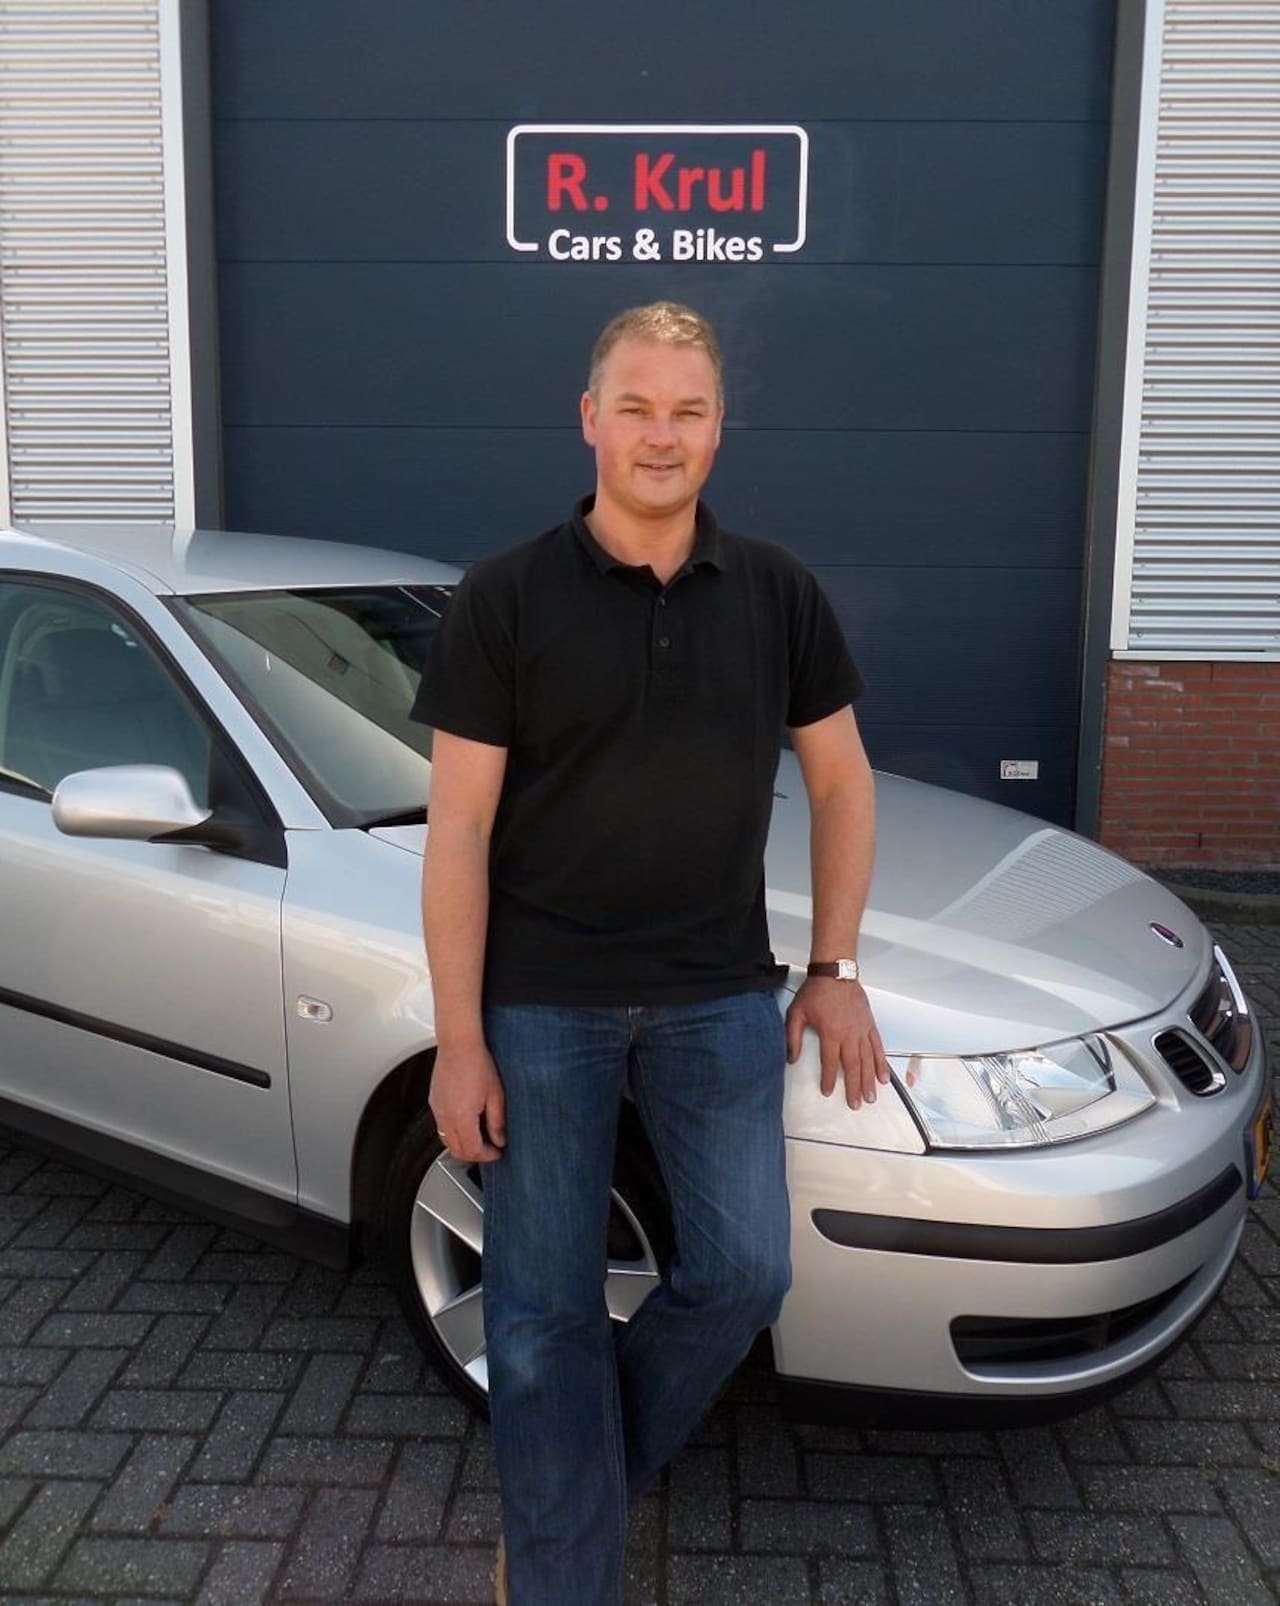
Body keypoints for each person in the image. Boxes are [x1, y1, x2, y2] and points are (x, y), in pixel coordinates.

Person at [412, 301, 888, 1605]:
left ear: (720, 427)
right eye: (635, 406)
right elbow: (458, 828)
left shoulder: (778, 591)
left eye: (687, 410)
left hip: (717, 995)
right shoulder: (507, 595)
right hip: (541, 1004)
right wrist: (459, 1038)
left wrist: (835, 968)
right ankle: (562, 1574)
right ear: (591, 420)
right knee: (542, 1310)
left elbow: (842, 783)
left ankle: (566, 1502)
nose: (660, 434)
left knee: (744, 1273)